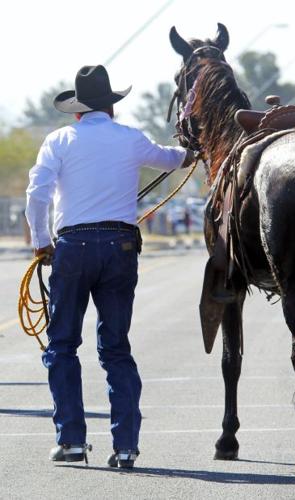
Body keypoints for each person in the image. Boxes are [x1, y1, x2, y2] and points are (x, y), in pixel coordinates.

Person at [25, 65, 194, 468]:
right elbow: (173, 160)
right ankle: (125, 446)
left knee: (63, 344)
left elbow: (38, 194)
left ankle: (72, 441)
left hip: (72, 247)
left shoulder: (59, 140)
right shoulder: (130, 138)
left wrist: (40, 242)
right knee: (116, 348)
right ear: (111, 107)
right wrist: (194, 146)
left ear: (77, 110)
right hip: (119, 247)